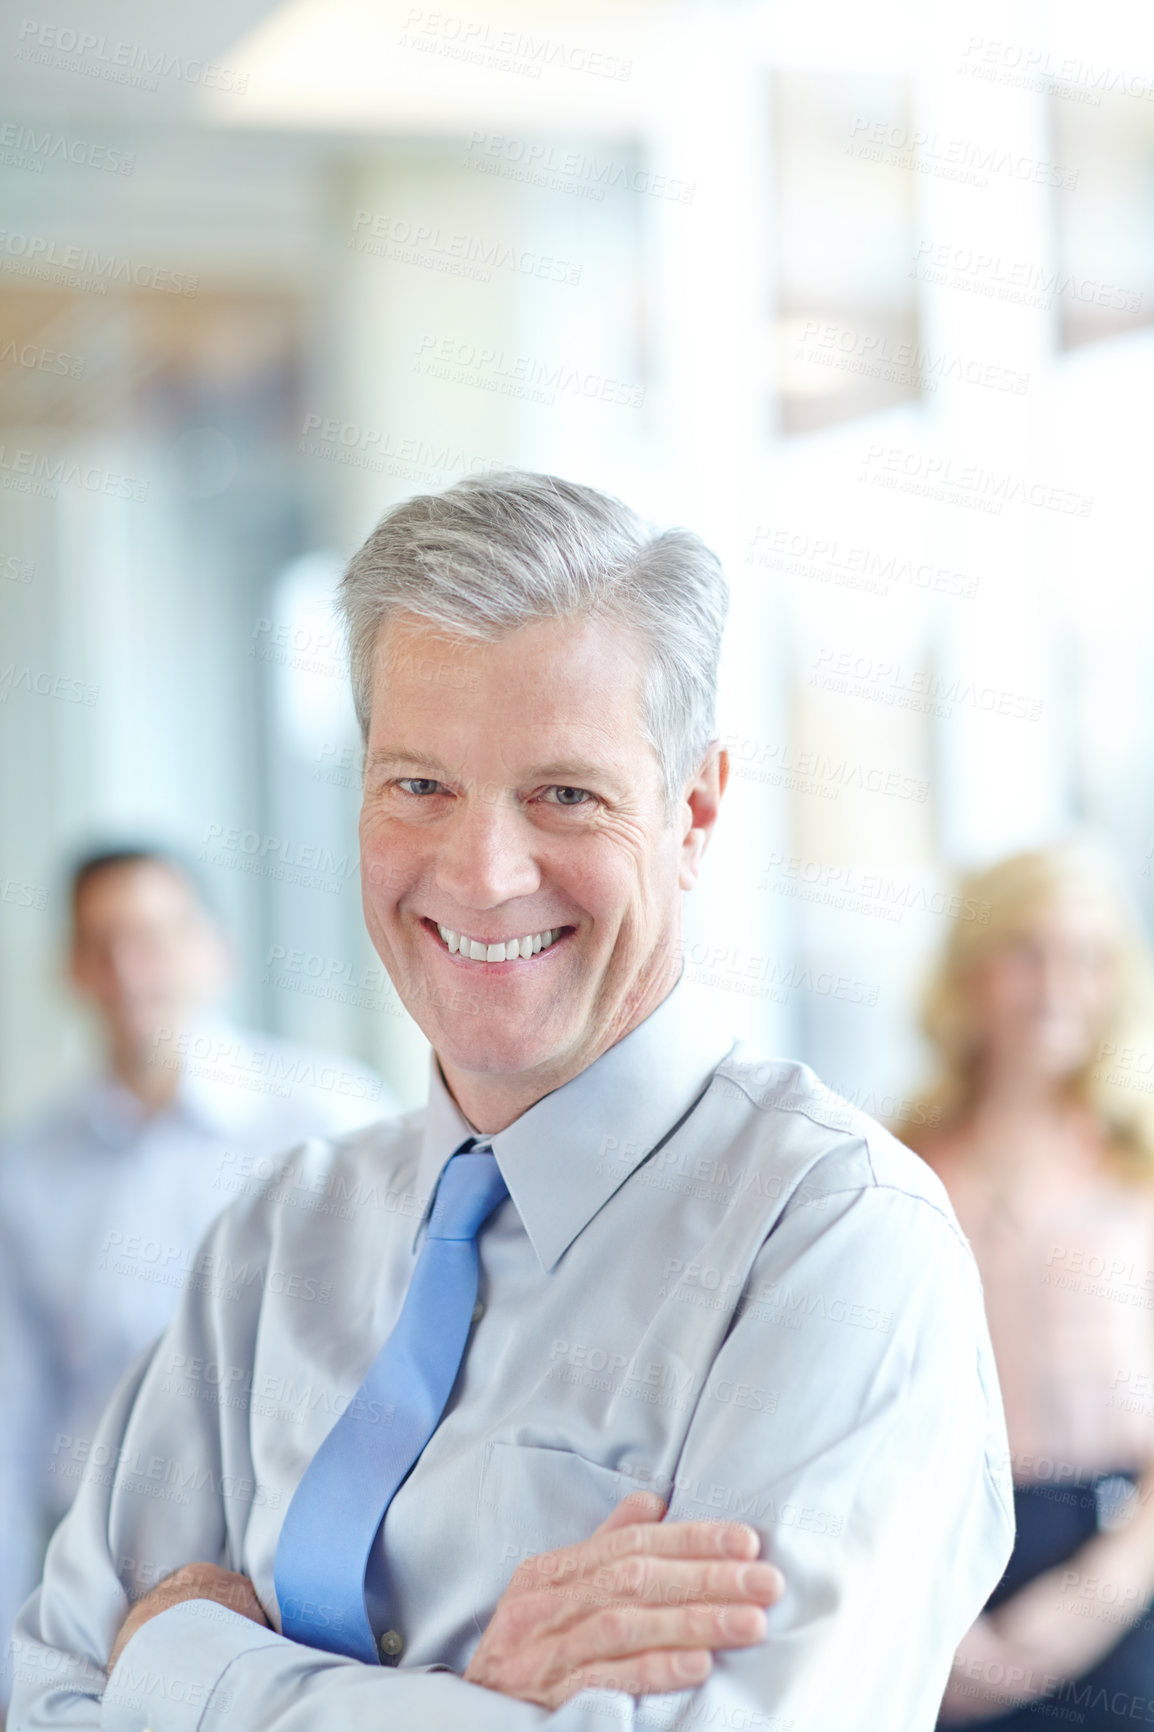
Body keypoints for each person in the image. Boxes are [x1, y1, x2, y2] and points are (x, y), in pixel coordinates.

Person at [10, 472, 1014, 1732]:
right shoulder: (278, 1238)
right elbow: (49, 1693)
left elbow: (120, 1677)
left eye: (564, 793)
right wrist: (474, 1706)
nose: (482, 874)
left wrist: (187, 1673)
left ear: (693, 810)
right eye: (418, 785)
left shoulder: (837, 1244)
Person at [0, 847, 393, 1701]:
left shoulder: (328, 1120)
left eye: (156, 936)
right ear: (72, 969)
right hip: (93, 1594)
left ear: (215, 950)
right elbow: (11, 1421)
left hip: (294, 1588)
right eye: (102, 943)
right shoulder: (29, 1172)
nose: (131, 969)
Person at [902, 844, 1154, 1730]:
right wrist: (940, 1629)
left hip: (1114, 1566)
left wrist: (1086, 1605)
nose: (1057, 985)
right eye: (1027, 951)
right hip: (941, 1572)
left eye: (1088, 957)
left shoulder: (1140, 1171)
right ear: (971, 973)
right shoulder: (895, 1168)